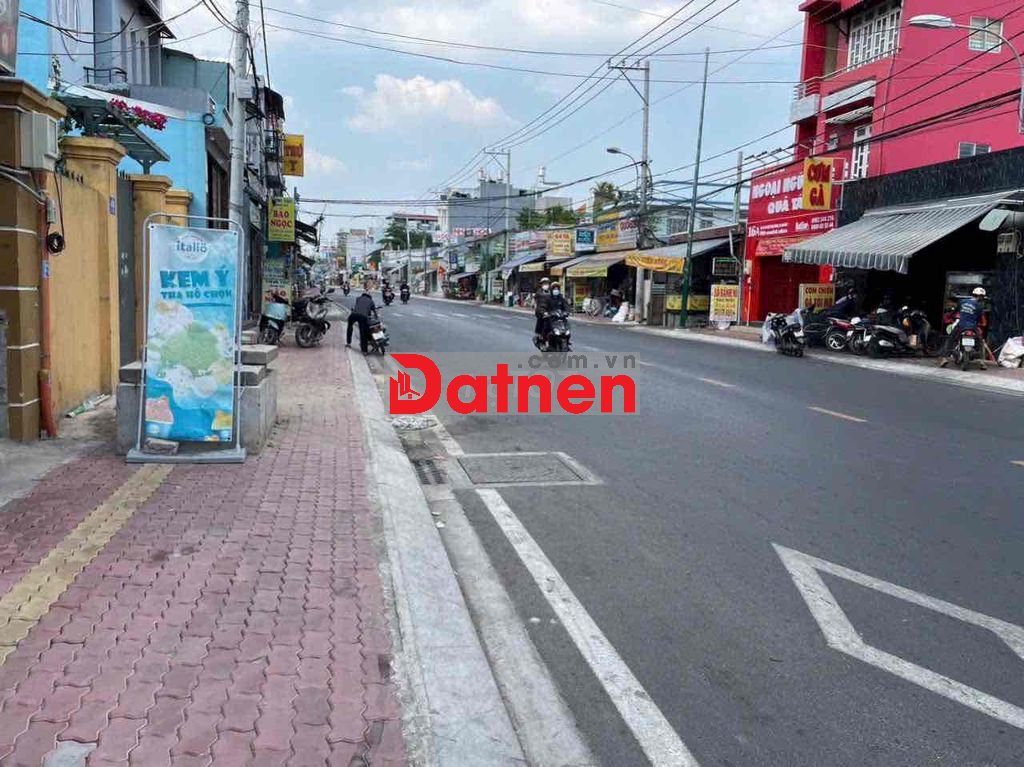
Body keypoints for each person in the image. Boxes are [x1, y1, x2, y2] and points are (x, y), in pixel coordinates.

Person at [939, 287, 987, 367]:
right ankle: (982, 362)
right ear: (980, 297)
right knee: (980, 342)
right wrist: (980, 324)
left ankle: (944, 358)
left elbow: (954, 312)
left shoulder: (962, 302)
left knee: (950, 339)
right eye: (982, 297)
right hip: (973, 327)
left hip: (961, 326)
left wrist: (948, 317)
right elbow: (983, 321)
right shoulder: (979, 307)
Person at [347, 289, 378, 353]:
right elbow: (373, 311)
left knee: (349, 327)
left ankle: (348, 343)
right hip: (363, 317)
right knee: (363, 333)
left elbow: (358, 307)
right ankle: (364, 351)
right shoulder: (371, 301)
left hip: (354, 314)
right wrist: (376, 318)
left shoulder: (358, 298)